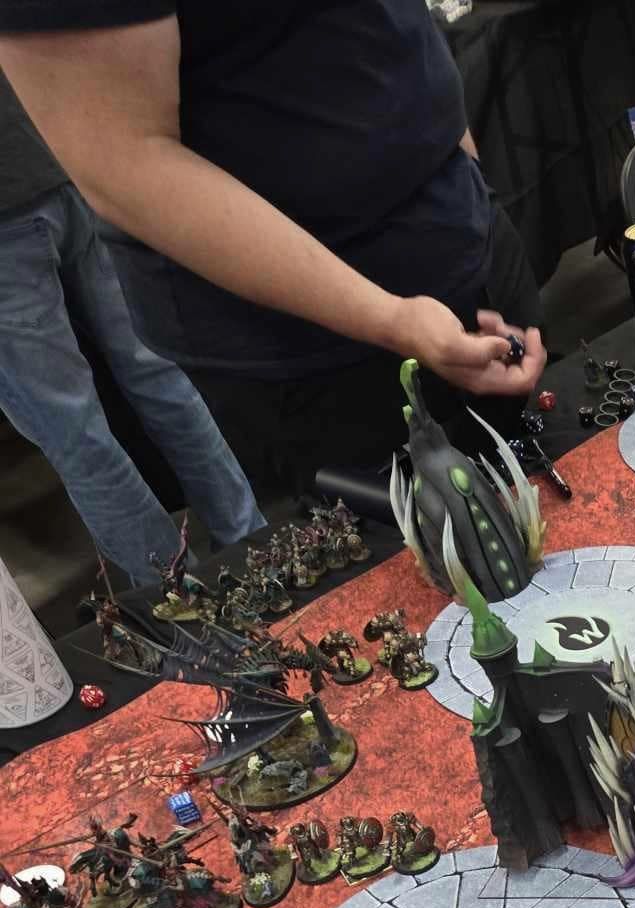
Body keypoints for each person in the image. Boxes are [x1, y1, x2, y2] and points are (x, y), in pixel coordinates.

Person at [0, 3, 546, 495]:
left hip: (464, 234)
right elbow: (121, 164)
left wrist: (464, 164)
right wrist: (393, 319)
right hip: (316, 356)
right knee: (419, 564)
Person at [0, 70, 262, 585]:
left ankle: (183, 597)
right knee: (159, 378)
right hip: (59, 158)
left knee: (75, 433)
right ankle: (252, 547)